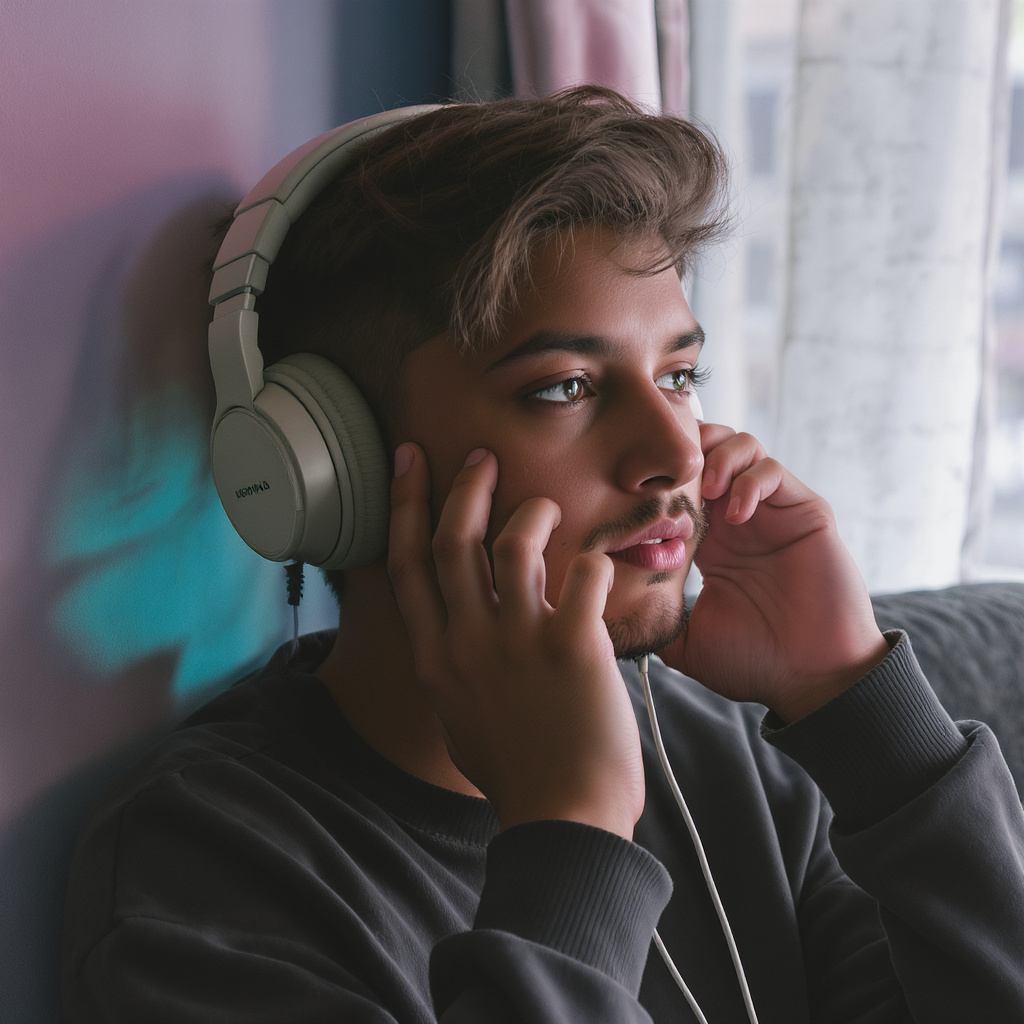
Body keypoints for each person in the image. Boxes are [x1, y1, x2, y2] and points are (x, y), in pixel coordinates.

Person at [61, 87, 1024, 1023]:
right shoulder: (209, 868)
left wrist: (866, 712)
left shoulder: (717, 757)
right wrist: (571, 835)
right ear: (335, 462)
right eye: (565, 387)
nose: (679, 451)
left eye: (680, 374)